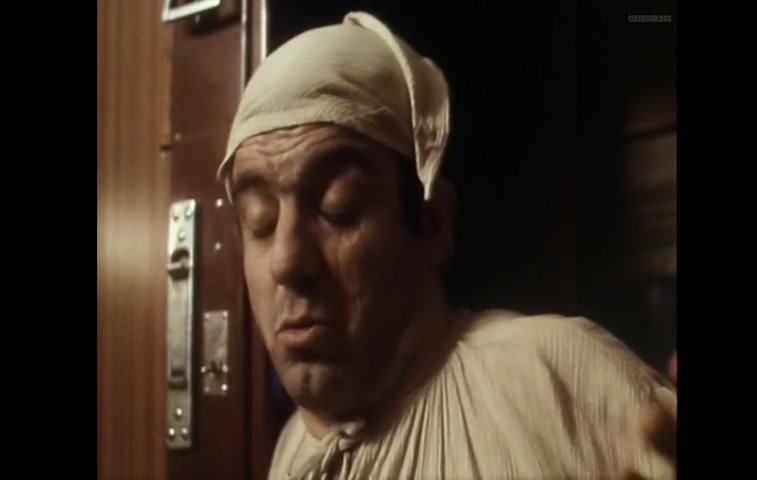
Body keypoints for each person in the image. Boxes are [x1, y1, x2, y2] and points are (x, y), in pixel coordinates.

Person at [216, 11, 677, 480]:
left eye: (339, 206)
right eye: (261, 221)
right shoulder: (292, 449)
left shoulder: (558, 378)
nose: (287, 261)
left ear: (432, 223)